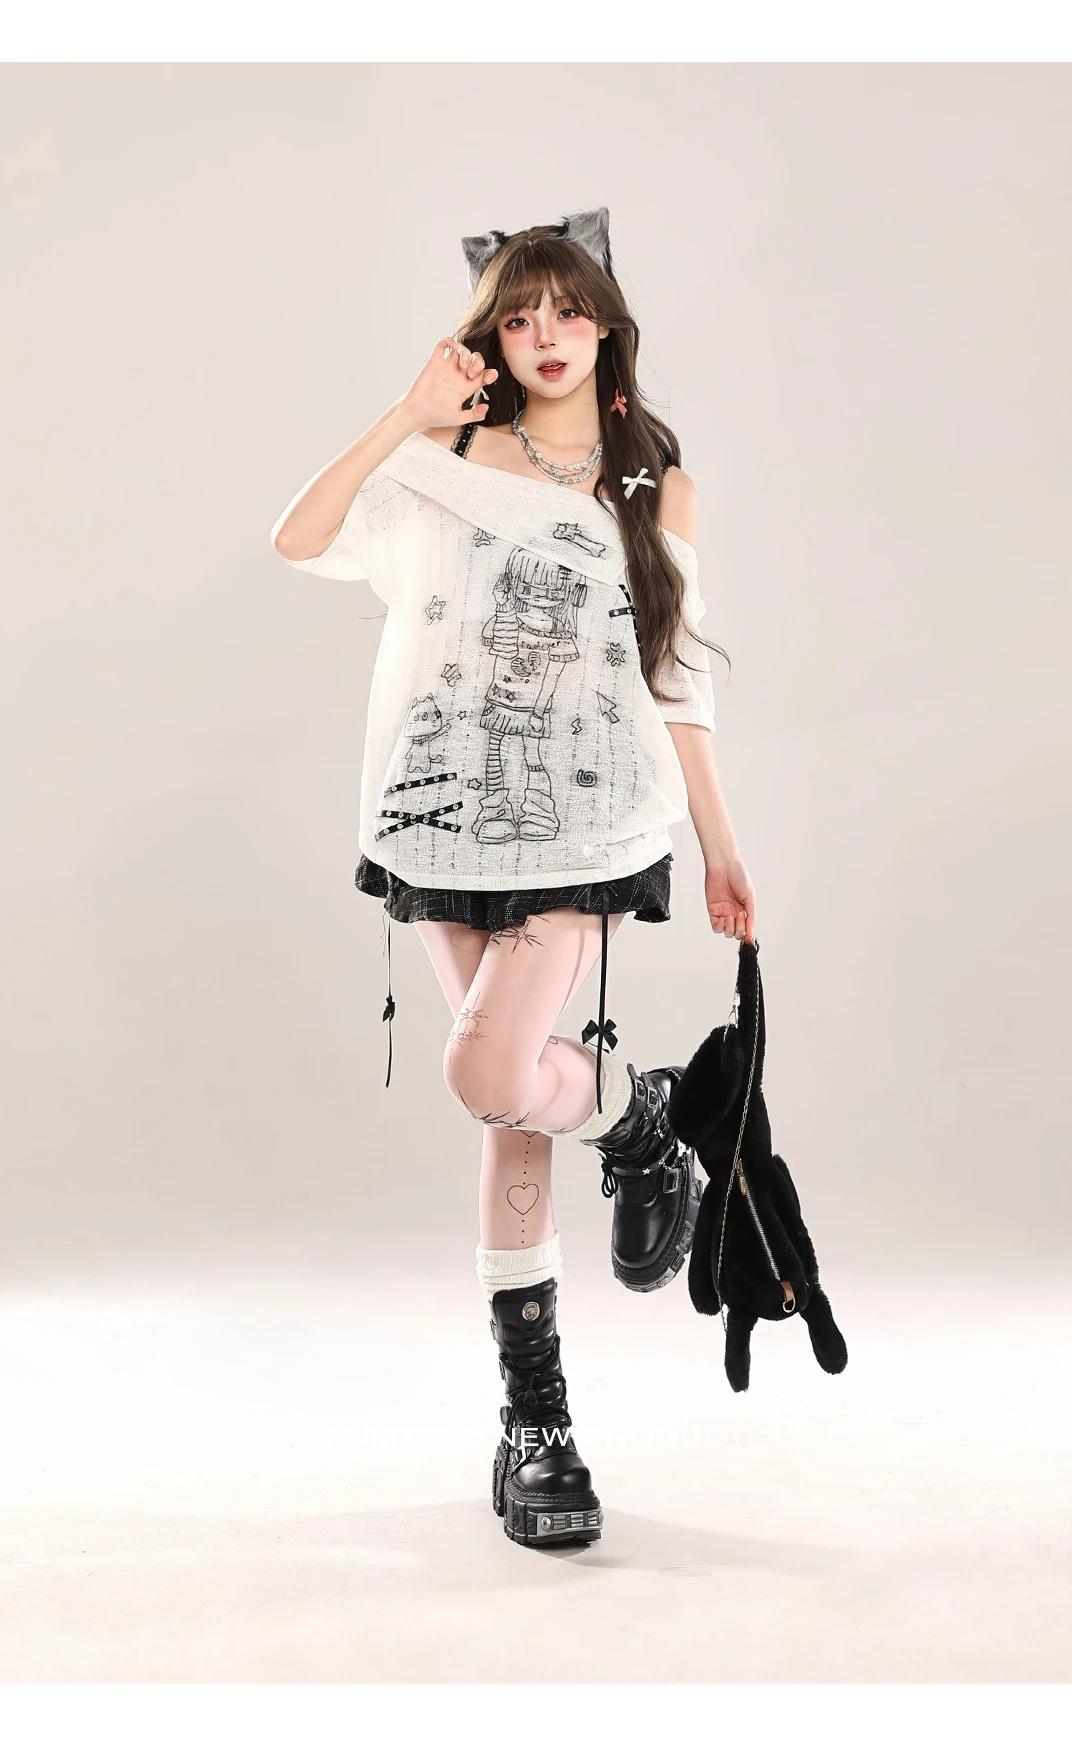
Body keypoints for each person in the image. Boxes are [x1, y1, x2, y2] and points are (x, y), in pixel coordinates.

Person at [270, 207, 757, 1548]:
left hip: (584, 824)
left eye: (568, 310)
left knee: (491, 1070)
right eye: (520, 314)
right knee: (511, 1107)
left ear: (606, 327)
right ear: (490, 335)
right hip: (440, 815)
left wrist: (720, 843)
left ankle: (640, 1127)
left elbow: (675, 678)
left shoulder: (654, 486)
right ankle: (539, 1420)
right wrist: (403, 413)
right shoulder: (442, 458)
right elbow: (299, 538)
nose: (545, 334)